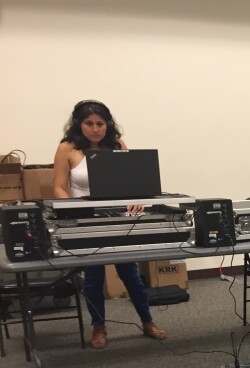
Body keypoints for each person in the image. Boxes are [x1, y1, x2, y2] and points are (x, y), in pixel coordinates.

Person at [53, 99, 166, 349]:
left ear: (108, 125)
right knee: (93, 278)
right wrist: (72, 210)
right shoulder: (67, 148)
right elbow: (59, 187)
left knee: (131, 275)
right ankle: (98, 327)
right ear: (79, 124)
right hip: (85, 219)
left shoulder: (117, 146)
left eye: (100, 124)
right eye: (89, 124)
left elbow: (129, 183)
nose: (95, 129)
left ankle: (147, 321)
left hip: (116, 218)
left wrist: (135, 201)